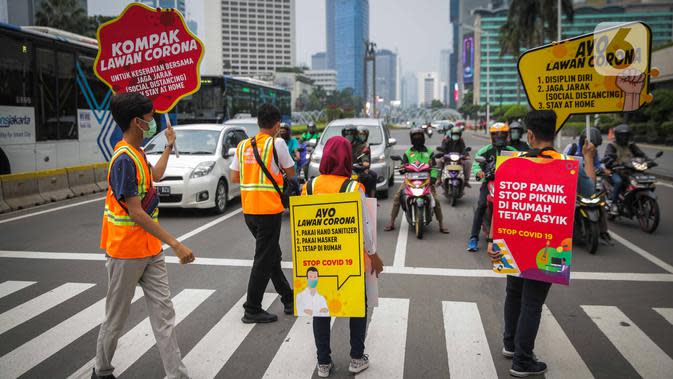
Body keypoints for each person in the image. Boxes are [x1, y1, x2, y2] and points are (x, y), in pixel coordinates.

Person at [488, 110, 596, 378]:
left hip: (513, 240)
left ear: (530, 135)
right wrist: (590, 158)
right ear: (555, 134)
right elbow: (590, 191)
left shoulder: (512, 162)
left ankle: (511, 345)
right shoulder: (569, 164)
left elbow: (501, 203)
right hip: (548, 246)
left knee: (514, 292)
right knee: (532, 303)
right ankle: (522, 361)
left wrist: (492, 240)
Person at [94, 93, 195, 379]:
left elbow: (156, 177)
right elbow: (137, 212)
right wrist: (175, 243)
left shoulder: (138, 153)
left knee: (165, 316)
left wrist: (168, 146)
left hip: (150, 250)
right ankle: (101, 371)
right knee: (115, 319)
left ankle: (177, 374)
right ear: (137, 122)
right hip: (125, 252)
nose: (154, 122)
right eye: (150, 117)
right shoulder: (123, 159)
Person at [301, 136, 384, 378]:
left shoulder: (310, 186)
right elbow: (365, 226)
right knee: (357, 306)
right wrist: (373, 255)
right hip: (348, 259)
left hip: (316, 258)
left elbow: (302, 223)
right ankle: (356, 358)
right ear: (348, 158)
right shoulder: (353, 187)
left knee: (320, 308)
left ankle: (323, 364)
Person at [230, 103, 296, 323]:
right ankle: (252, 308)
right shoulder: (277, 143)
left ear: (259, 122)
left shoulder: (242, 146)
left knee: (271, 256)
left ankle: (288, 298)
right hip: (268, 210)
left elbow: (234, 178)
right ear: (277, 125)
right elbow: (291, 173)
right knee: (263, 259)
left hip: (249, 211)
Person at [384, 128, 449, 234]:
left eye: (419, 136)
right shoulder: (408, 153)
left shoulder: (429, 152)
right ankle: (392, 222)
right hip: (410, 180)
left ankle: (441, 224)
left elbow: (433, 166)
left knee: (436, 200)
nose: (417, 138)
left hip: (426, 180)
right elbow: (403, 165)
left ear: (423, 138)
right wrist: (402, 169)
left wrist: (433, 178)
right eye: (415, 137)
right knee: (397, 197)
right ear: (411, 139)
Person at [466, 122, 517, 252]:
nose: (499, 137)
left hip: (508, 185)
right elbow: (477, 164)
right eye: (496, 134)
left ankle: (516, 237)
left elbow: (521, 164)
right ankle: (473, 237)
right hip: (489, 182)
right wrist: (479, 172)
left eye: (502, 134)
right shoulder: (485, 150)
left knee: (516, 208)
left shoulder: (513, 152)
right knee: (481, 205)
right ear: (492, 136)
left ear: (507, 135)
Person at [564, 127, 613, 245]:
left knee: (600, 202)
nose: (593, 147)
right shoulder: (572, 148)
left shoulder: (593, 151)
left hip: (589, 182)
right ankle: (563, 231)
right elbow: (563, 160)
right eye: (593, 144)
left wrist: (603, 169)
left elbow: (597, 164)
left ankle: (603, 231)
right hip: (573, 183)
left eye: (596, 145)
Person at [602, 123, 649, 215]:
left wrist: (649, 160)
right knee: (618, 182)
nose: (625, 138)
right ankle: (614, 204)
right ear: (617, 136)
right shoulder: (612, 146)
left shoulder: (631, 145)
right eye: (623, 135)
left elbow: (640, 154)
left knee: (646, 180)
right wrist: (610, 161)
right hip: (617, 171)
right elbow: (608, 156)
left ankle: (637, 200)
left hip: (631, 170)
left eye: (627, 135)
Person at [342, 126, 378, 197]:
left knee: (369, 178)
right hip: (344, 170)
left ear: (355, 135)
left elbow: (364, 156)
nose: (349, 137)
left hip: (357, 169)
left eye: (351, 135)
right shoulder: (342, 145)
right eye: (347, 135)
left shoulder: (361, 145)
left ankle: (368, 198)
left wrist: (364, 162)